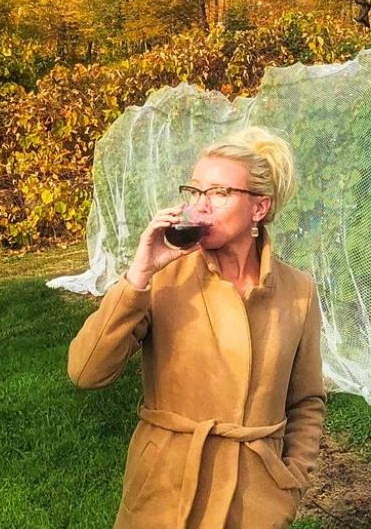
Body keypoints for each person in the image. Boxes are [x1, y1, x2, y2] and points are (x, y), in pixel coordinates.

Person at [67, 126, 325, 528]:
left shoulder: (298, 292)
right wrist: (139, 274)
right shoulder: (165, 279)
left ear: (259, 208)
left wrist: (289, 483)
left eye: (220, 193)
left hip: (253, 503)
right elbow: (86, 372)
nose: (200, 207)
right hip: (165, 494)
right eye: (195, 192)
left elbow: (307, 400)